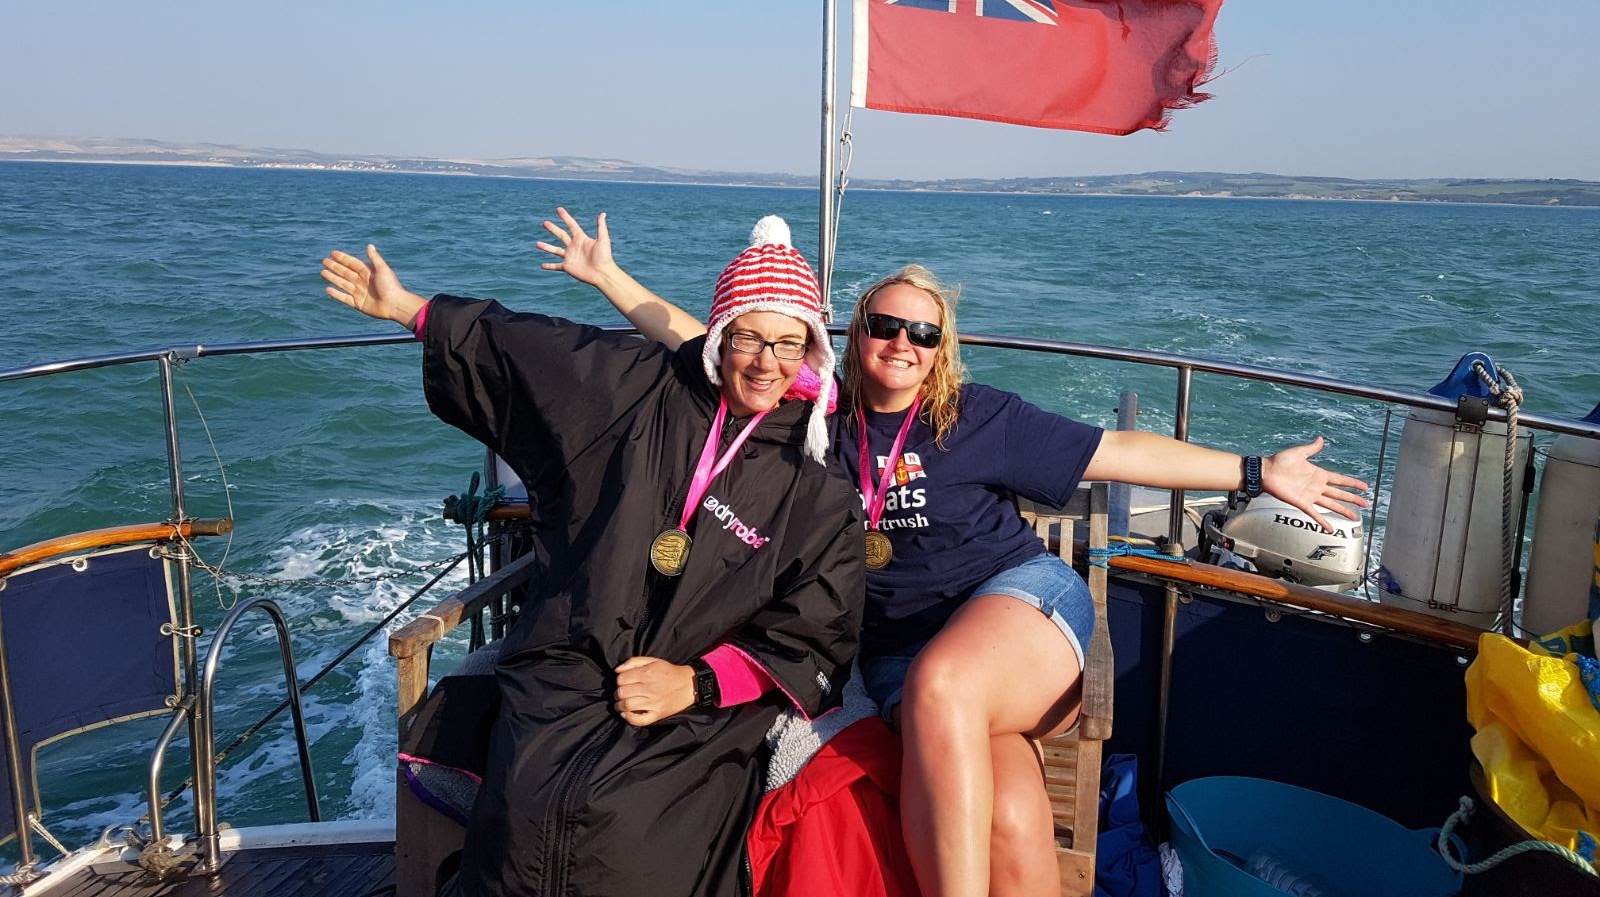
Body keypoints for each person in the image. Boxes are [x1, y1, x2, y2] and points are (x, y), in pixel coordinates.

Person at [536, 208, 1371, 897]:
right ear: (853, 336)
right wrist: (609, 279)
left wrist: (1257, 471)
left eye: (924, 333)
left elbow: (1118, 450)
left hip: (1019, 615)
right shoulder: (817, 417)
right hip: (899, 657)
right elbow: (710, 338)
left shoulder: (978, 418)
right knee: (1009, 812)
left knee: (947, 687)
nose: (903, 342)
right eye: (885, 326)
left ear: (942, 347)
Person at [321, 216, 863, 897]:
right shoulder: (642, 390)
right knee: (525, 811)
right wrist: (409, 309)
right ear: (720, 336)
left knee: (631, 835)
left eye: (787, 343)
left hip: (699, 704)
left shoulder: (816, 481)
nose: (765, 362)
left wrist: (693, 683)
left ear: (811, 351)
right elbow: (533, 351)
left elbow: (816, 629)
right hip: (572, 653)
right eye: (748, 338)